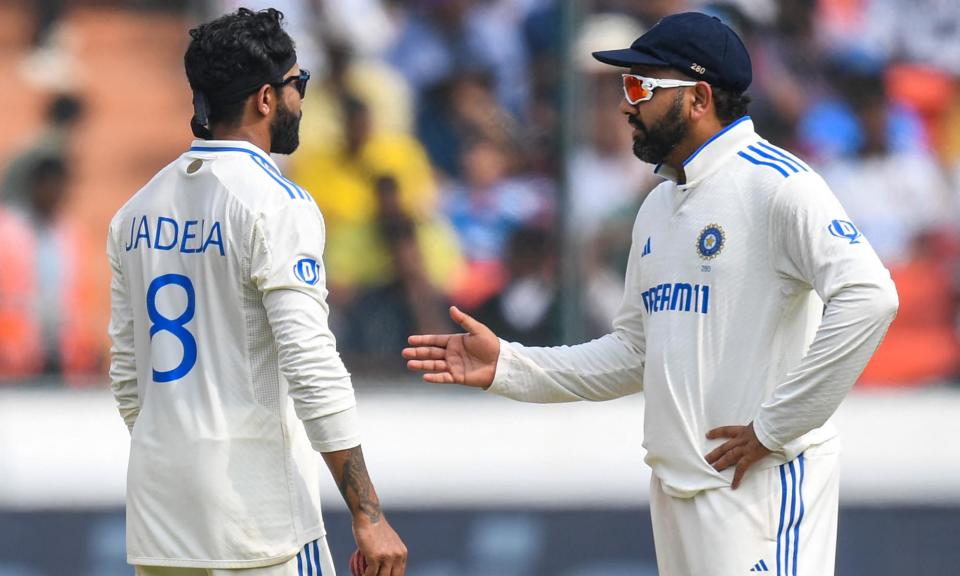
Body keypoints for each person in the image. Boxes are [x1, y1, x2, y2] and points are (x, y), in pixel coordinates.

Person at [403, 12, 898, 576]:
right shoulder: (660, 205)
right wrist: (510, 365)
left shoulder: (779, 185)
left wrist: (777, 427)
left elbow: (870, 296)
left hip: (758, 490)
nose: (624, 105)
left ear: (699, 97)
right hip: (677, 491)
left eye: (640, 87)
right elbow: (634, 352)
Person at [106, 8, 406, 576]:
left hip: (160, 516)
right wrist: (367, 514)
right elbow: (311, 362)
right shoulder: (277, 203)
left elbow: (128, 377)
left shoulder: (135, 211)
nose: (302, 100)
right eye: (298, 84)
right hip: (259, 523)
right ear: (265, 99)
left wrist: (180, 457)